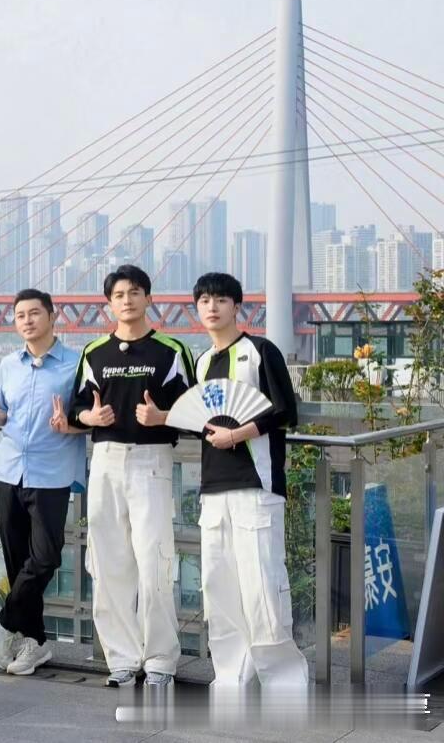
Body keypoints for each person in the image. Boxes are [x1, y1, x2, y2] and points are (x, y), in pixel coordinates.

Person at [138, 272, 308, 688]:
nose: (211, 307)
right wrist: (164, 418)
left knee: (263, 588)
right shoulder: (202, 362)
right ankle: (230, 680)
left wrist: (237, 434)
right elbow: (204, 420)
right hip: (213, 489)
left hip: (256, 486)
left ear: (236, 306)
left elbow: (284, 411)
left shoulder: (260, 351)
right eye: (204, 301)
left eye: (220, 299)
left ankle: (284, 685)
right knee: (220, 590)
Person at [70, 264, 195, 688]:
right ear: (109, 303)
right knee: (108, 563)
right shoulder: (94, 352)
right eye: (119, 294)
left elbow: (195, 409)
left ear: (148, 298)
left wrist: (163, 416)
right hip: (105, 459)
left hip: (151, 461)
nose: (127, 300)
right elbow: (76, 407)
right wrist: (90, 417)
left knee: (154, 561)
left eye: (135, 292)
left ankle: (160, 660)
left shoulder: (171, 350)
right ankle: (121, 659)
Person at [0, 289, 86, 677]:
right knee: (17, 562)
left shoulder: (75, 363)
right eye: (20, 315)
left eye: (35, 313)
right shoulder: (9, 364)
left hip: (51, 473)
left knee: (45, 556)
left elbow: (85, 416)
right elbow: (7, 415)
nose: (27, 320)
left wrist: (69, 424)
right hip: (9, 470)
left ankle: (3, 620)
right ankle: (33, 642)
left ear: (53, 317)